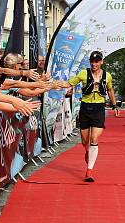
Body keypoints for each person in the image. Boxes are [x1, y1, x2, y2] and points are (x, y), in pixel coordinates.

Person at [51, 50, 120, 182]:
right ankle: (87, 150)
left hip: (99, 108)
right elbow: (69, 83)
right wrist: (55, 84)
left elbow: (110, 89)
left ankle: (89, 171)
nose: (94, 64)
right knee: (84, 140)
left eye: (97, 61)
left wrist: (114, 105)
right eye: (92, 62)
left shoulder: (108, 76)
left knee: (94, 138)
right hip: (85, 108)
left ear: (101, 62)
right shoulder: (83, 74)